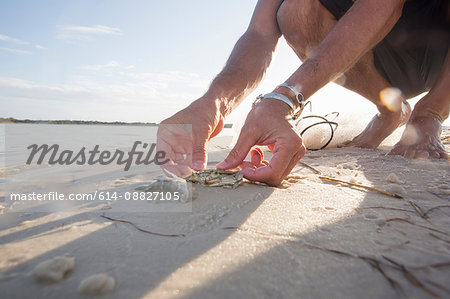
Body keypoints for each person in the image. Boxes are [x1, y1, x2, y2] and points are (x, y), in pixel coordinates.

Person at [157, 0, 450, 186]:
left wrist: (281, 101)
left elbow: (384, 5)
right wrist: (214, 101)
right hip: (374, 57)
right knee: (294, 9)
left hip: (436, 48)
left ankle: (429, 113)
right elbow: (259, 36)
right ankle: (391, 108)